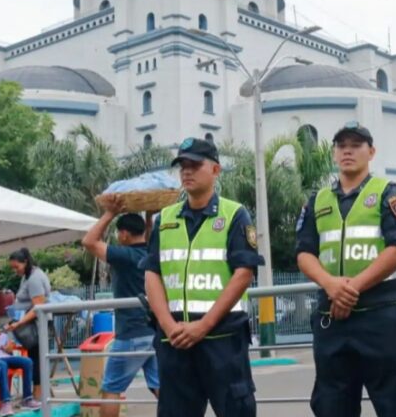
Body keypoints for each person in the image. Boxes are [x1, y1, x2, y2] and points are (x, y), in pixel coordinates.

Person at [296, 122, 396, 417]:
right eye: (342, 146)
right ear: (333, 154)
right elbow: (304, 253)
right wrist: (330, 285)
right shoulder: (317, 201)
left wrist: (350, 289)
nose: (348, 151)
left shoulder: (389, 193)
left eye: (356, 145)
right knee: (331, 404)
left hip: (381, 314)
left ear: (371, 152)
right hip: (333, 318)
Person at [143, 138, 262, 417]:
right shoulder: (166, 218)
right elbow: (152, 274)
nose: (187, 171)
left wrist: (203, 326)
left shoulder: (235, 215)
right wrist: (169, 326)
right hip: (174, 341)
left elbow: (243, 274)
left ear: (216, 170)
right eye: (183, 165)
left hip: (222, 337)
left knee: (236, 409)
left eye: (195, 165)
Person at [81, 200, 159, 416]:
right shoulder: (151, 254)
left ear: (124, 234)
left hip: (131, 334)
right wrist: (149, 217)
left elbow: (88, 241)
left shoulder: (124, 255)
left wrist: (110, 213)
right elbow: (148, 237)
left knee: (111, 389)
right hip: (152, 332)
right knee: (160, 386)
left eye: (118, 233)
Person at [5, 248, 51, 401]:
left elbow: (38, 307)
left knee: (36, 359)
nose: (14, 270)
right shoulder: (27, 275)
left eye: (16, 267)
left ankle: (38, 396)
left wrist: (19, 323)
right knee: (33, 358)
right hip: (30, 322)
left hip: (37, 325)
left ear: (25, 262)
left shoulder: (34, 279)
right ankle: (36, 394)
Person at [0, 310, 42, 412]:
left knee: (27, 361)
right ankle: (5, 402)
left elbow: (8, 351)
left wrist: (8, 349)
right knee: (2, 364)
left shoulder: (3, 336)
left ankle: (27, 399)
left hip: (5, 357)